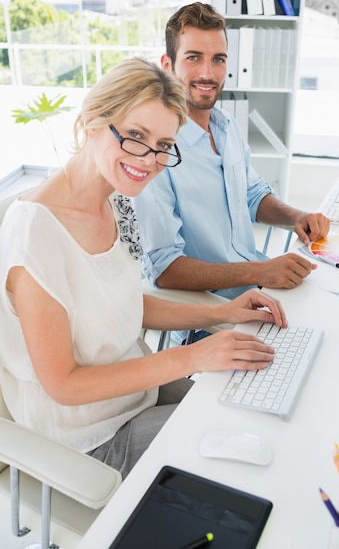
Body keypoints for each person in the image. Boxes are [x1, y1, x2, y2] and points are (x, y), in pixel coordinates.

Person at [0, 56, 288, 479]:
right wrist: (191, 356)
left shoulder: (117, 200)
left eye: (164, 145)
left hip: (135, 395)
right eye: (135, 135)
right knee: (239, 441)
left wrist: (221, 315)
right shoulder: (35, 232)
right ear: (92, 122)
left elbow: (124, 301)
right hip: (89, 439)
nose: (149, 159)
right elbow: (63, 384)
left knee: (254, 398)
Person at [134, 2, 330, 342]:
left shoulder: (226, 127)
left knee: (330, 334)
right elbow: (165, 269)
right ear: (167, 65)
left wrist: (296, 216)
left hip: (259, 293)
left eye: (218, 59)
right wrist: (262, 271)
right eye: (193, 57)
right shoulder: (156, 154)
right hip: (210, 319)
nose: (208, 74)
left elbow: (252, 194)